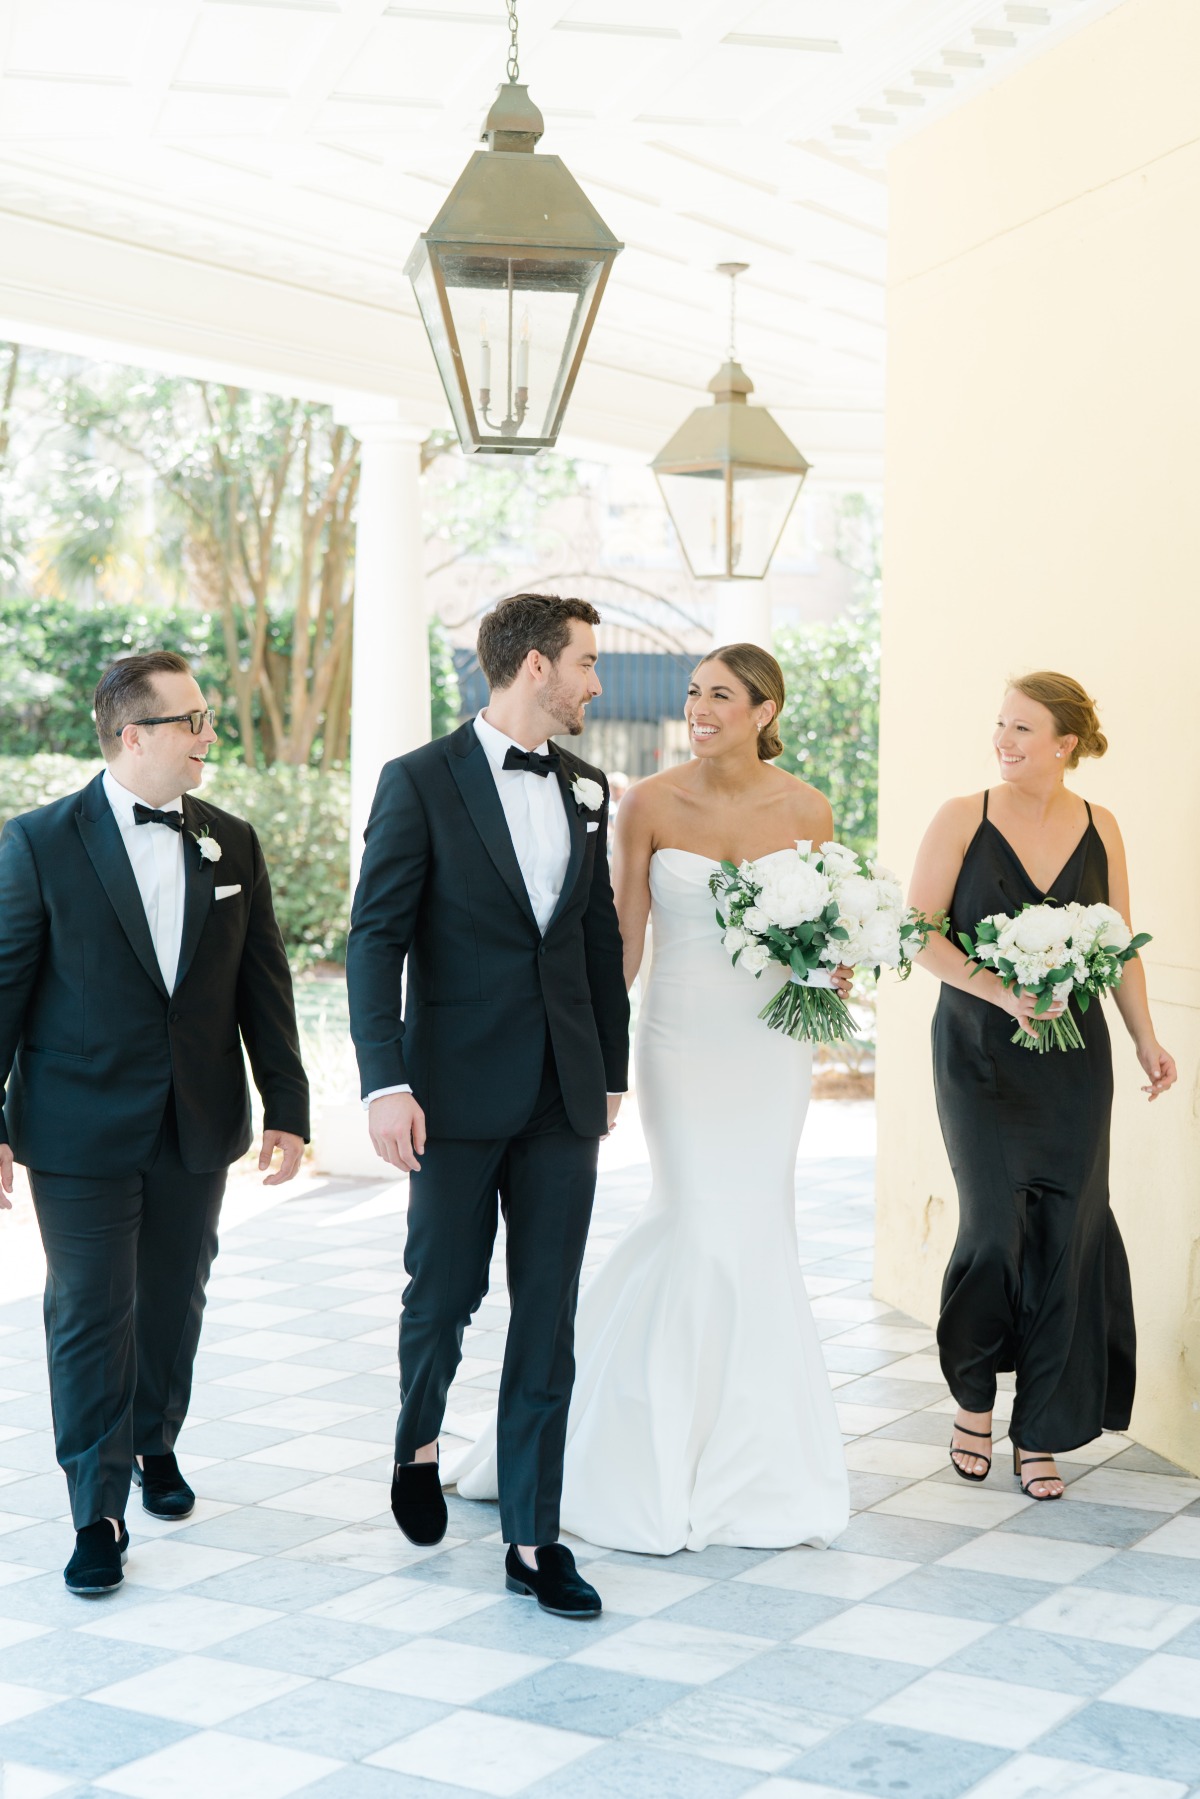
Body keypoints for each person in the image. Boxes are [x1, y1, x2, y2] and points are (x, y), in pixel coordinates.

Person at [455, 643, 851, 1552]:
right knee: (699, 1217)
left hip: (769, 1049)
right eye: (692, 693)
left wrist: (831, 971)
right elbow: (621, 942)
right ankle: (637, 1451)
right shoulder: (647, 802)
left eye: (720, 694)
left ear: (764, 709)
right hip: (679, 1040)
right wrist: (596, 1064)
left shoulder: (807, 808)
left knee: (753, 1228)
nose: (699, 708)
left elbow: (824, 934)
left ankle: (752, 1460)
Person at [0, 651, 309, 1595]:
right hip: (76, 1127)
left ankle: (152, 1443)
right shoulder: (39, 841)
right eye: (194, 721)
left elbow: (265, 982)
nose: (210, 736)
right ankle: (96, 1508)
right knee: (91, 1308)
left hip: (197, 1119)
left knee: (174, 1298)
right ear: (133, 736)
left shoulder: (232, 841)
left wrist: (288, 1106)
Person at [347, 593, 628, 1619]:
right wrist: (385, 1080)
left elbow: (594, 935)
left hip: (563, 1095)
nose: (597, 681)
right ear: (536, 665)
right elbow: (375, 938)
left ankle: (532, 1534)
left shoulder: (590, 785)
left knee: (547, 1313)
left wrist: (610, 1073)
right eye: (587, 662)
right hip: (452, 1093)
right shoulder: (419, 782)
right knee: (445, 1292)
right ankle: (418, 1429)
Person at [908, 673, 1175, 1500]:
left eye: (1023, 728)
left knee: (1069, 1231)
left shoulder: (1102, 826)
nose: (1004, 739)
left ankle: (1043, 1429)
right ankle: (974, 1401)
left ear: (1066, 742)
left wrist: (1144, 1038)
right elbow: (919, 932)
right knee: (993, 1228)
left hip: (1072, 1061)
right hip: (979, 1050)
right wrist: (1000, 989)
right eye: (1000, 725)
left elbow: (1118, 943)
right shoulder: (962, 817)